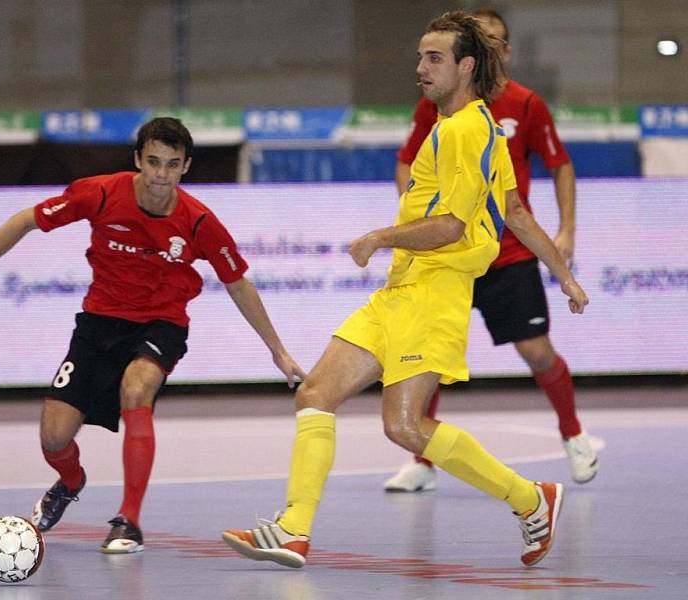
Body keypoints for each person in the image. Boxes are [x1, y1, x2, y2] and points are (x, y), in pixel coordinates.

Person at [221, 11, 588, 569]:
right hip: (403, 288)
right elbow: (512, 209)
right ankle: (293, 529)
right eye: (420, 56)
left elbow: (451, 226)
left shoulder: (466, 129)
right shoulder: (471, 121)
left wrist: (380, 235)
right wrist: (561, 272)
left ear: (465, 66)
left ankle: (529, 498)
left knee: (405, 426)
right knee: (316, 394)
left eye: (433, 58)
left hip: (435, 292)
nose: (420, 67)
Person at [0, 117, 306, 554]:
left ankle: (128, 521)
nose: (160, 175)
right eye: (152, 163)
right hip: (99, 324)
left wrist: (278, 353)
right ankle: (71, 481)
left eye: (171, 165)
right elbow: (25, 221)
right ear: (137, 160)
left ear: (186, 166)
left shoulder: (199, 221)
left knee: (137, 389)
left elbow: (238, 283)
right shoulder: (101, 193)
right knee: (53, 438)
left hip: (161, 324)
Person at [384, 8, 597, 494]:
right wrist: (420, 224)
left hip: (506, 257)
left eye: (499, 42)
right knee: (425, 361)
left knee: (537, 352)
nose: (493, 50)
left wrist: (565, 241)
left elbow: (537, 187)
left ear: (504, 51)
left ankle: (572, 433)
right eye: (485, 42)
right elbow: (407, 165)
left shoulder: (522, 105)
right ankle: (423, 461)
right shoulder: (436, 106)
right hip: (448, 260)